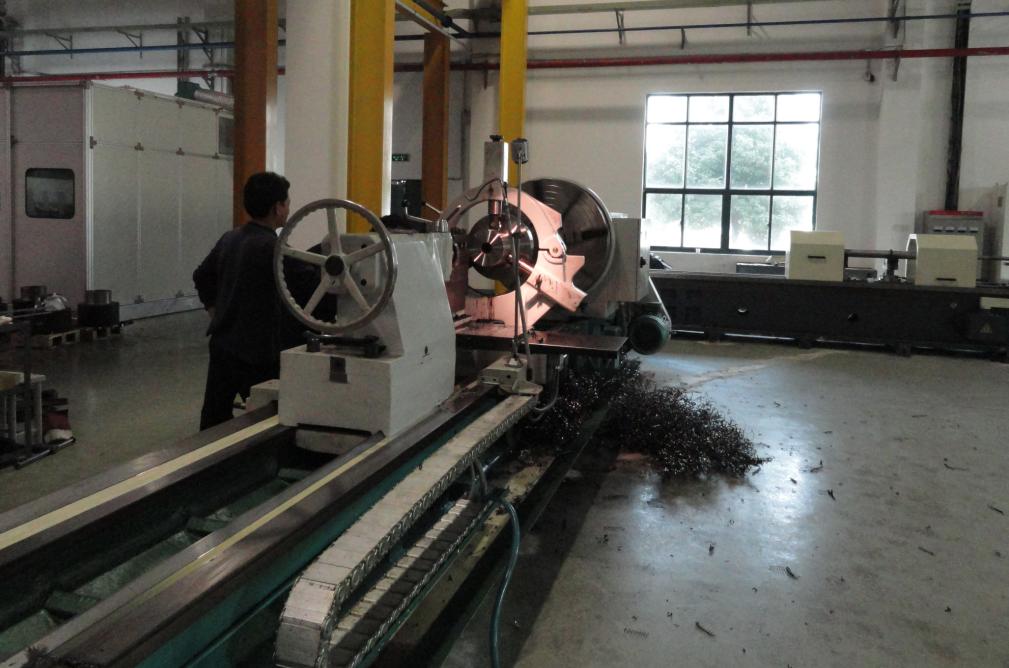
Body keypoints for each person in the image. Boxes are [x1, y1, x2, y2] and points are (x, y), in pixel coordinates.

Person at [193, 171, 316, 430]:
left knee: (214, 418)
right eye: (287, 202)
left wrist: (214, 311)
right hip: (257, 352)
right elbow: (310, 283)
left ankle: (207, 454)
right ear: (277, 207)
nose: (289, 208)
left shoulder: (230, 238)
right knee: (267, 418)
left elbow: (201, 275)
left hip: (223, 345)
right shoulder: (275, 249)